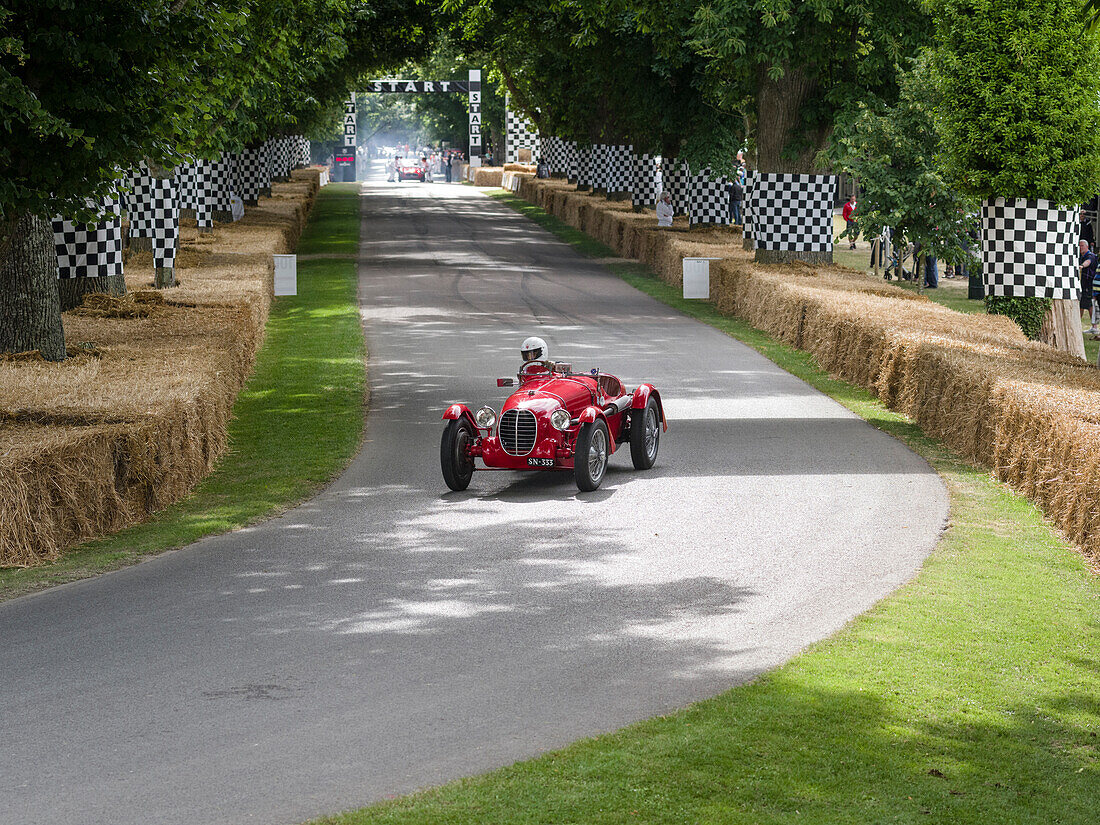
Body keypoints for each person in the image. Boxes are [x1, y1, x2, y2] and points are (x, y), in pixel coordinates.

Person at [1083, 239, 1099, 336]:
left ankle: (1095, 327)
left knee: (1090, 305)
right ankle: (1094, 326)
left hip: (1092, 286)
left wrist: (1081, 266)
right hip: (1092, 287)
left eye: (1082, 246)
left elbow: (1088, 262)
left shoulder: (1091, 256)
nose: (1080, 248)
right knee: (1088, 305)